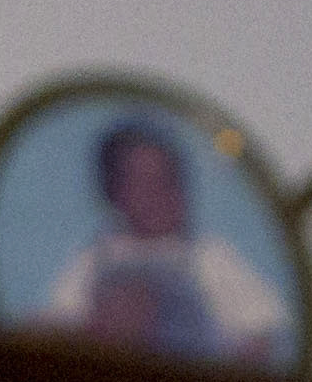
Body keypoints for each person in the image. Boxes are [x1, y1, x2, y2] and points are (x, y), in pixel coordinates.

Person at [42, 117, 291, 359]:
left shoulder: (207, 255)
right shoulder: (96, 257)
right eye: (145, 183)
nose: (160, 194)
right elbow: (61, 320)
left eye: (169, 180)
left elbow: (260, 329)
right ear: (114, 193)